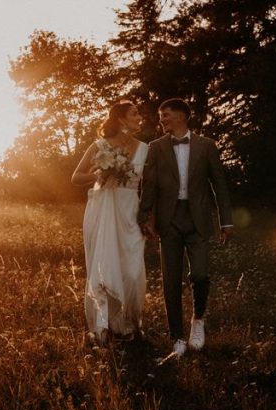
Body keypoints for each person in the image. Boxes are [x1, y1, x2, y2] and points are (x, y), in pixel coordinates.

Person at [138, 98, 232, 357]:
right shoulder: (155, 148)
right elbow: (149, 185)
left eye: (165, 115)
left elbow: (219, 185)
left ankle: (198, 320)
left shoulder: (207, 146)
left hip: (199, 220)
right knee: (170, 280)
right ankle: (177, 338)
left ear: (181, 116)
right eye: (161, 115)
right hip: (169, 221)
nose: (162, 119)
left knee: (200, 274)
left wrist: (226, 220)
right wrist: (145, 217)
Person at [71, 101, 148, 342]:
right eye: (134, 113)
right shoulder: (99, 146)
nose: (139, 116)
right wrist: (98, 174)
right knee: (103, 264)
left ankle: (130, 322)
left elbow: (151, 186)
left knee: (132, 270)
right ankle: (103, 325)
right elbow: (75, 177)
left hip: (130, 212)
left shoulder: (146, 149)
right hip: (102, 209)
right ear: (121, 118)